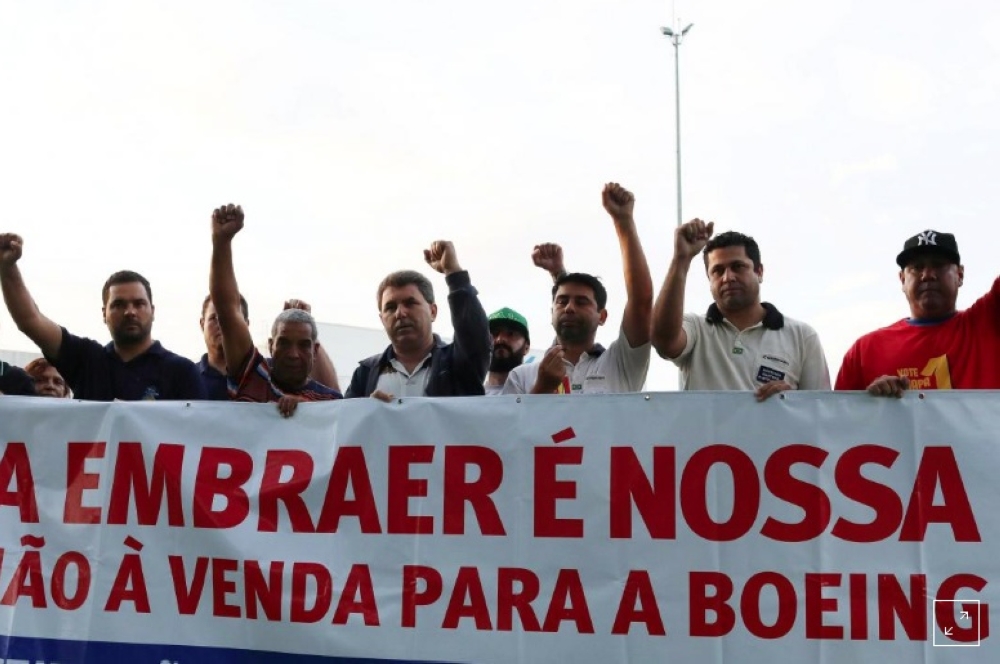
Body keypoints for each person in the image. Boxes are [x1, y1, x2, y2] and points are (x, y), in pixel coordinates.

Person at [0, 234, 204, 401]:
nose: (130, 311)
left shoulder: (181, 372)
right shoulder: (87, 360)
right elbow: (30, 320)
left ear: (152, 310)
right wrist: (7, 267)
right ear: (104, 314)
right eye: (118, 304)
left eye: (139, 304)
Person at [501, 182, 653, 395]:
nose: (569, 308)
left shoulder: (621, 363)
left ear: (602, 316)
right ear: (551, 312)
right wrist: (542, 388)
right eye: (562, 301)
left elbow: (642, 301)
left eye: (582, 302)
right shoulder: (521, 377)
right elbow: (513, 428)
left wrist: (623, 221)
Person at [651, 222, 830, 399]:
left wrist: (792, 403)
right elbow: (663, 341)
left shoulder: (802, 337)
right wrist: (681, 259)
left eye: (738, 267)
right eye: (718, 271)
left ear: (759, 272)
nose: (728, 277)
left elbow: (821, 410)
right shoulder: (696, 329)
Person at [209, 204, 341, 417]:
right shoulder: (251, 376)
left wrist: (309, 414)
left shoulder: (330, 403)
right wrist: (222, 242)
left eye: (304, 345)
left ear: (315, 351)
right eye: (284, 343)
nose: (293, 354)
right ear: (271, 346)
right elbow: (228, 310)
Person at [835, 229, 999, 396]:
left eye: (938, 264)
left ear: (960, 274)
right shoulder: (864, 352)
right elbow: (839, 416)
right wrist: (870, 402)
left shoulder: (989, 320)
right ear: (902, 279)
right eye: (917, 267)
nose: (927, 275)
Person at [346, 241, 491, 399]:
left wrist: (454, 273)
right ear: (382, 319)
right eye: (390, 307)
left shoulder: (457, 364)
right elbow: (348, 422)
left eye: (410, 303)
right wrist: (366, 411)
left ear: (433, 311)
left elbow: (474, 334)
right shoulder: (365, 374)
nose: (400, 313)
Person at [199, 295, 339, 400]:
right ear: (271, 346)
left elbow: (331, 395)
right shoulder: (189, 376)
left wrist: (306, 410)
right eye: (214, 318)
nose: (224, 326)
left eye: (304, 345)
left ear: (245, 326)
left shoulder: (262, 372)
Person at [485, 307, 530, 395]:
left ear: (526, 347)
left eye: (510, 334)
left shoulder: (540, 392)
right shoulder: (470, 395)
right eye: (494, 334)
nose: (500, 339)